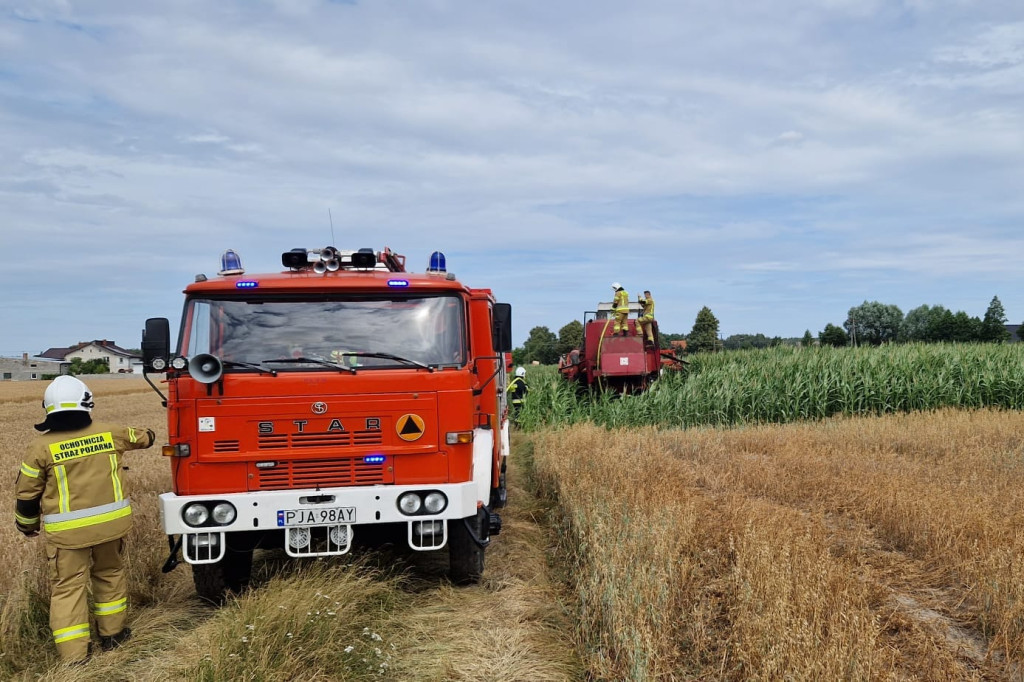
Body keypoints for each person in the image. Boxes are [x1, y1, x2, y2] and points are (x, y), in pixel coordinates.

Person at [15, 376, 156, 663]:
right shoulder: (108, 433)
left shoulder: (41, 448)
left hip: (68, 536)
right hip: (111, 527)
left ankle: (75, 656)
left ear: (48, 408)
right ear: (87, 403)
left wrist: (27, 526)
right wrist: (149, 433)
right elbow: (145, 437)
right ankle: (113, 635)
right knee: (110, 575)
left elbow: (26, 495)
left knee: (68, 588)